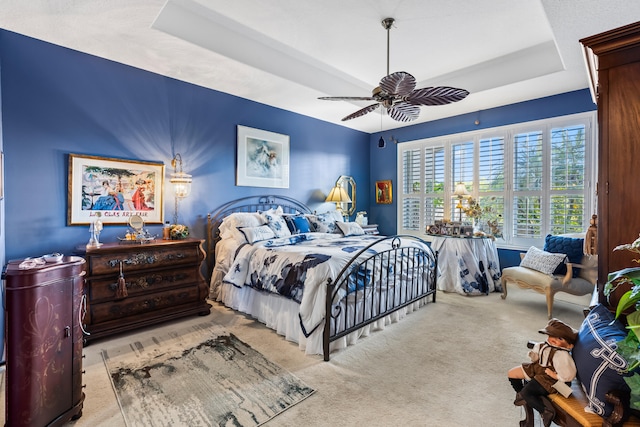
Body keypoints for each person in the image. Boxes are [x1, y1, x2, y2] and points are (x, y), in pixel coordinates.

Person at [507, 318, 578, 427]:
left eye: (559, 338)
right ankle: (520, 394)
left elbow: (569, 374)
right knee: (512, 374)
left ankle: (545, 411)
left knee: (528, 391)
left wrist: (555, 375)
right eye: (551, 335)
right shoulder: (542, 345)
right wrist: (534, 355)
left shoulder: (562, 356)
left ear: (569, 345)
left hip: (550, 379)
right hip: (537, 369)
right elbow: (536, 358)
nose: (553, 339)